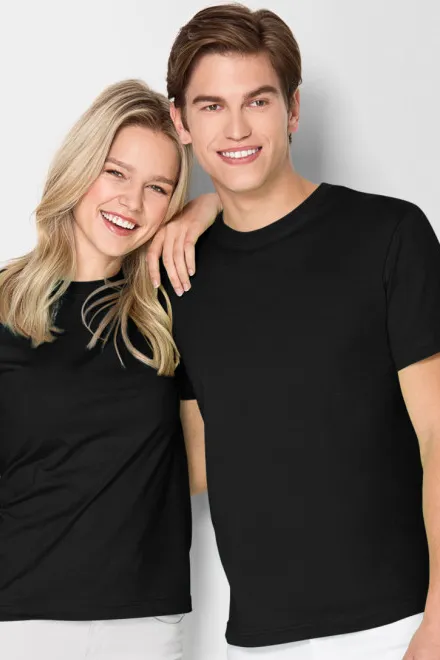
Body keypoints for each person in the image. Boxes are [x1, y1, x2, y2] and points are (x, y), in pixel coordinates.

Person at [147, 5, 440, 659]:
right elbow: (196, 459)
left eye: (258, 101)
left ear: (293, 109)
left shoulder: (389, 236)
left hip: (401, 623)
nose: (237, 128)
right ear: (181, 121)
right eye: (212, 106)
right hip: (259, 640)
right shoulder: (179, 274)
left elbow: (438, 431)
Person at [0, 79, 217, 660]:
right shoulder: (3, 305)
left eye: (158, 188)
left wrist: (209, 205)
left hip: (144, 623)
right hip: (18, 621)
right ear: (79, 166)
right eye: (115, 173)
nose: (132, 202)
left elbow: (197, 466)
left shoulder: (172, 308)